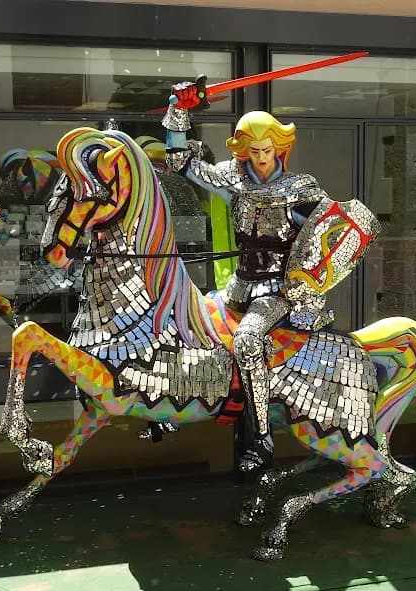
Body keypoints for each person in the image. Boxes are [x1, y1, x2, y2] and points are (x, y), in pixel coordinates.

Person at [162, 81, 378, 472]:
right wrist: (180, 108)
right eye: (254, 151)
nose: (261, 158)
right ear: (242, 150)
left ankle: (261, 437)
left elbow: (331, 232)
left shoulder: (300, 189)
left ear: (280, 148)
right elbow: (179, 161)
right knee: (189, 318)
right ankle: (176, 401)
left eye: (268, 150)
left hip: (277, 290)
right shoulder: (232, 180)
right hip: (238, 285)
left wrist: (305, 264)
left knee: (246, 340)